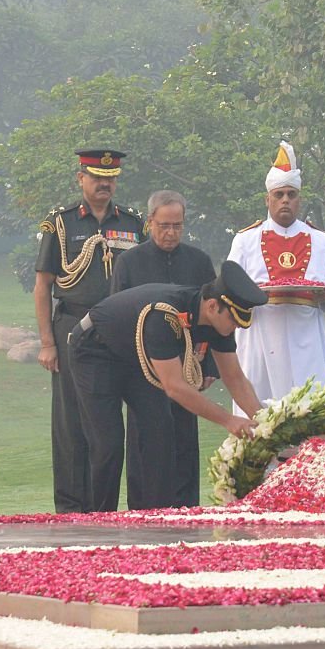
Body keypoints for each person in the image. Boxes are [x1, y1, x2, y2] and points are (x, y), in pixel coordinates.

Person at [69, 261, 267, 512]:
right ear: (212, 305)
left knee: (160, 432)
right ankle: (97, 519)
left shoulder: (219, 322)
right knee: (108, 442)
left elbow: (235, 378)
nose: (236, 326)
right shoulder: (165, 314)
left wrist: (263, 422)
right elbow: (175, 387)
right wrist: (229, 420)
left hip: (137, 357)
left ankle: (154, 516)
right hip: (96, 350)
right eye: (234, 319)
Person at [33, 148, 145, 513]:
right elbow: (43, 285)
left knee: (108, 422)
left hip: (118, 329)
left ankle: (104, 506)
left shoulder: (132, 223)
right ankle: (69, 508)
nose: (104, 184)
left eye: (110, 178)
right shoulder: (60, 223)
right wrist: (47, 342)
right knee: (70, 421)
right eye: (97, 177)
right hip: (71, 327)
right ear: (80, 179)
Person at [110, 190, 217, 508]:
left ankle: (186, 511)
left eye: (177, 226)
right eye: (164, 225)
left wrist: (208, 366)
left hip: (186, 367)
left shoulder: (199, 262)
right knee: (147, 444)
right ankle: (145, 512)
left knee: (184, 441)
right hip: (143, 371)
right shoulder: (129, 263)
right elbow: (117, 321)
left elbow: (212, 316)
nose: (170, 233)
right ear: (150, 223)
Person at [228, 141, 325, 409]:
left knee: (311, 409)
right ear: (268, 199)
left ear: (299, 199)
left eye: (291, 194)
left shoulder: (322, 241)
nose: (285, 200)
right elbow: (229, 289)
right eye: (279, 195)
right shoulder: (245, 240)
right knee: (258, 417)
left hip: (307, 333)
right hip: (260, 335)